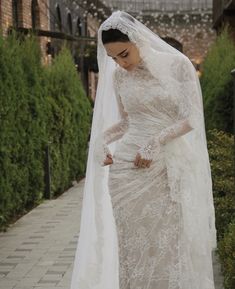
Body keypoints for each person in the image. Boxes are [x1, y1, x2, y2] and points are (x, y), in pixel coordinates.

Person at [70, 11, 217, 289]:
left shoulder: (178, 65)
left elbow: (192, 118)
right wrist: (101, 139)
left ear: (138, 39)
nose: (120, 64)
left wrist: (156, 141)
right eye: (113, 58)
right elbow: (127, 121)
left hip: (165, 168)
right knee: (131, 245)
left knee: (168, 240)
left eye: (124, 54)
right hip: (126, 170)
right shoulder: (119, 78)